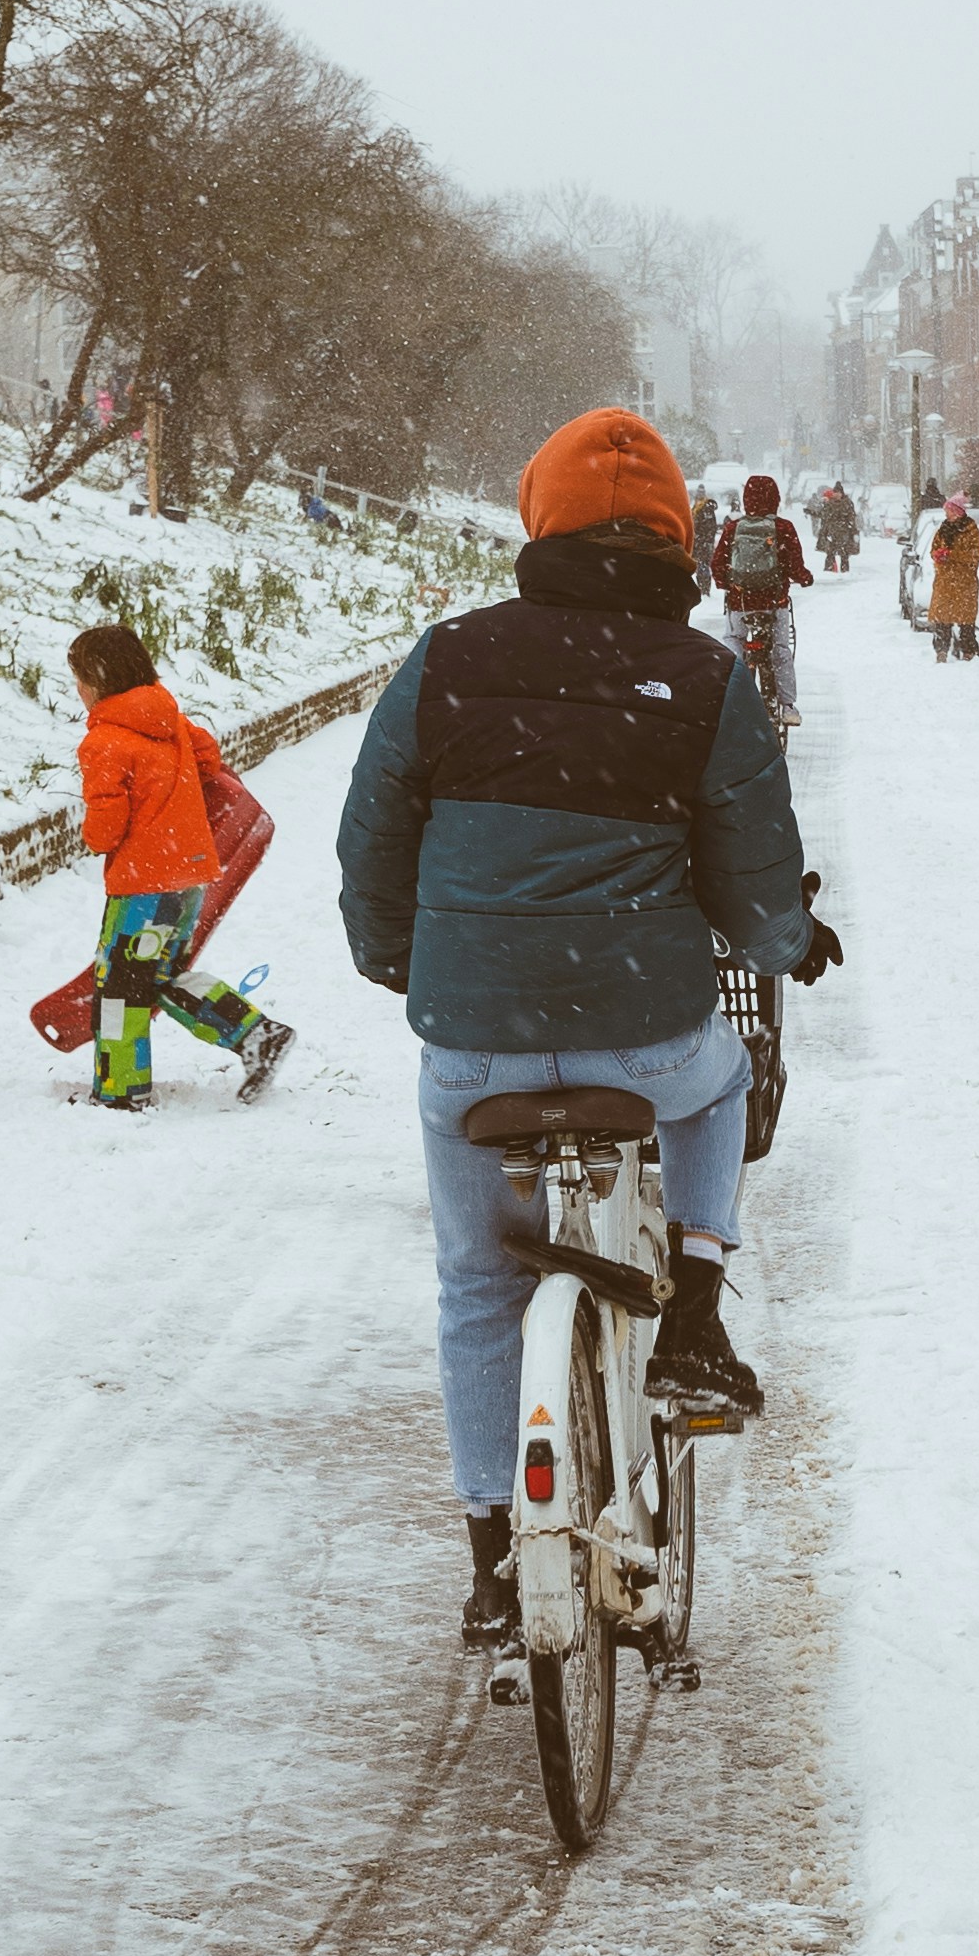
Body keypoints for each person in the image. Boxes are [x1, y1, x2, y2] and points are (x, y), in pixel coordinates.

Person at [336, 404, 838, 1647]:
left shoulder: (447, 659)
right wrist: (791, 946)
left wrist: (399, 959)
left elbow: (371, 836)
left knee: (473, 1283)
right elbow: (754, 874)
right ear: (680, 539)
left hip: (472, 1045)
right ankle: (698, 1313)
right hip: (646, 1038)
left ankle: (496, 1559)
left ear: (538, 522)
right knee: (721, 1084)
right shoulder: (707, 680)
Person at [74, 618, 295, 1115]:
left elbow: (105, 828)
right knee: (162, 976)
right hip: (188, 877)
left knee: (120, 989)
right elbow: (209, 760)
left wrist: (94, 836)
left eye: (79, 681)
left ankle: (120, 1092)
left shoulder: (105, 741)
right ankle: (259, 1035)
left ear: (96, 681)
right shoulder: (168, 719)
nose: (79, 692)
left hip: (140, 888)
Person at [710, 470, 813, 729]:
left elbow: (717, 564)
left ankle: (729, 697)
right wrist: (804, 578)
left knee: (734, 642)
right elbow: (796, 566)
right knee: (780, 649)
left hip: (740, 604)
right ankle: (787, 706)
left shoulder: (733, 529)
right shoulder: (783, 528)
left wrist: (727, 585)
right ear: (775, 499)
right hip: (774, 604)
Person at [926, 493, 979, 659]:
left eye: (949, 510)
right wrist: (937, 555)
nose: (946, 514)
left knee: (966, 620)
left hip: (964, 582)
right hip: (944, 581)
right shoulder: (942, 529)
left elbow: (975, 554)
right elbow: (933, 548)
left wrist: (951, 555)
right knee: (943, 618)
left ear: (958, 511)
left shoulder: (970, 530)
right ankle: (941, 650)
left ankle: (968, 650)